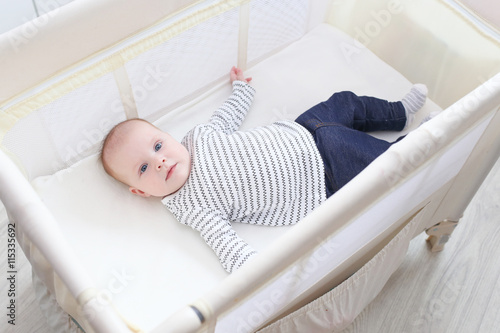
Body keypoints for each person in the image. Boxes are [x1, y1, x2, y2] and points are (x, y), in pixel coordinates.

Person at [100, 66, 427, 273]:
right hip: (322, 174)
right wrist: (254, 272)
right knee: (383, 160)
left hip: (305, 128)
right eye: (143, 168)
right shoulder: (192, 205)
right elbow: (225, 244)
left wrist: (241, 90)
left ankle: (397, 112)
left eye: (157, 146)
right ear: (141, 192)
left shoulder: (198, 137)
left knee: (346, 102)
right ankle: (428, 139)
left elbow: (227, 117)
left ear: (167, 136)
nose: (159, 160)